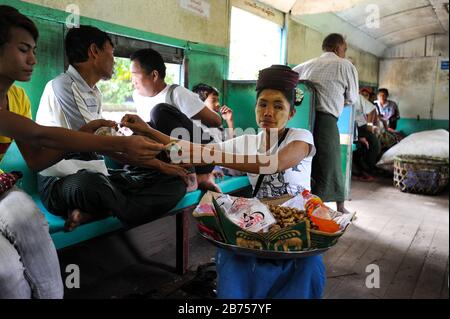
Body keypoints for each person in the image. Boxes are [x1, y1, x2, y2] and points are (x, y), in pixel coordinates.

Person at [0, 6, 164, 299]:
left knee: (31, 221)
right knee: (6, 272)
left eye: (34, 50)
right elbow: (39, 135)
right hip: (64, 181)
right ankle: (127, 208)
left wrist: (83, 136)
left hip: (2, 187)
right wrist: (118, 144)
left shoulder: (18, 97)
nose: (33, 59)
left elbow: (37, 160)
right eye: (24, 49)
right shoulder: (61, 86)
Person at [121, 65, 326, 299]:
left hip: (297, 224)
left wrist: (213, 156)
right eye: (263, 104)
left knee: (305, 269)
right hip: (261, 224)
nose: (269, 112)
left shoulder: (300, 137)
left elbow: (274, 163)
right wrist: (148, 130)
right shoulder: (247, 141)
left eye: (278, 106)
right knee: (232, 260)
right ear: (256, 107)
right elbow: (194, 149)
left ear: (290, 114)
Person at [35, 26, 186, 231]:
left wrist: (162, 167)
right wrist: (157, 163)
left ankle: (99, 209)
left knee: (174, 181)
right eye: (112, 52)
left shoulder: (94, 93)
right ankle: (116, 208)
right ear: (94, 51)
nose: (114, 60)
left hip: (100, 175)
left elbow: (107, 145)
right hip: (62, 181)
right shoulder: (62, 86)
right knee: (91, 185)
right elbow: (96, 143)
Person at [130, 49, 223, 192]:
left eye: (135, 75)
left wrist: (185, 118)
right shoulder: (137, 97)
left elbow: (216, 121)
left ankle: (191, 174)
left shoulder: (177, 93)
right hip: (172, 155)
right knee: (140, 132)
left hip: (201, 154)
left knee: (159, 111)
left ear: (154, 75)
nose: (132, 81)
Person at [294, 33, 359, 215]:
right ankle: (336, 207)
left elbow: (293, 90)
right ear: (338, 48)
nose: (344, 53)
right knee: (331, 164)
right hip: (326, 121)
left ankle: (306, 202)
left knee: (306, 163)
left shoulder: (304, 66)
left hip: (300, 121)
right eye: (344, 49)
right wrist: (337, 100)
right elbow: (352, 98)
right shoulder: (345, 65)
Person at [352, 93, 381, 181]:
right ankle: (363, 172)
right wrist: (358, 137)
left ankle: (368, 170)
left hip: (361, 126)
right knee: (360, 146)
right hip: (350, 128)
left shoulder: (357, 97)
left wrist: (369, 124)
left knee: (374, 143)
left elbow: (372, 109)